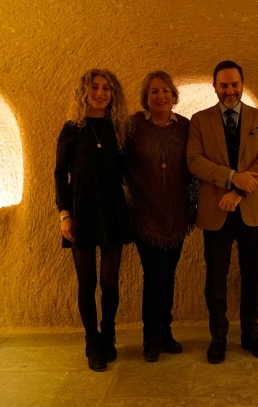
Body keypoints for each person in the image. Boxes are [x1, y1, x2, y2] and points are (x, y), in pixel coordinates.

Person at [186, 60, 258, 364]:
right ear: (214, 86)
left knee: (253, 273)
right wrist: (230, 177)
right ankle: (218, 336)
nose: (229, 90)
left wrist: (238, 191)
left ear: (242, 84)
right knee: (216, 276)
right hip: (216, 208)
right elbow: (194, 160)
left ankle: (251, 333)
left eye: (234, 84)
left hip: (251, 207)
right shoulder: (199, 120)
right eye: (223, 85)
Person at [54, 68, 132, 372]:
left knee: (109, 282)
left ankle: (108, 333)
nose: (100, 93)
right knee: (86, 282)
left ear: (113, 94)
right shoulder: (72, 128)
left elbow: (127, 170)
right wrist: (64, 213)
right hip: (81, 208)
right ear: (85, 91)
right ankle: (92, 341)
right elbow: (60, 173)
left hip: (112, 207)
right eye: (95, 87)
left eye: (106, 88)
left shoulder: (119, 128)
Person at [123, 71, 198, 362]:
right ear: (146, 96)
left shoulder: (185, 127)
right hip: (145, 216)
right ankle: (151, 338)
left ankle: (166, 333)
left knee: (169, 277)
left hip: (177, 217)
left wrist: (194, 205)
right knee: (155, 277)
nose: (161, 96)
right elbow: (119, 164)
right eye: (154, 91)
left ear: (174, 95)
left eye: (166, 91)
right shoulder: (132, 126)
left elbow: (194, 169)